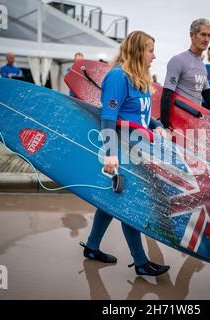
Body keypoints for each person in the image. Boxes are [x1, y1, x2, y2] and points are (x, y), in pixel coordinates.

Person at [79, 31, 170, 277]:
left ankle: (92, 247)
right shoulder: (118, 77)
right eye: (151, 50)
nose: (154, 55)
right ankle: (140, 262)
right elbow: (108, 116)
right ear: (138, 51)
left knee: (114, 200)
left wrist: (157, 126)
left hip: (139, 149)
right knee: (130, 203)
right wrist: (109, 154)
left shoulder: (137, 78)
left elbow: (138, 114)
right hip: (122, 148)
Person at [160, 18, 210, 129]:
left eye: (209, 35)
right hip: (177, 123)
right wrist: (165, 125)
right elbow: (167, 95)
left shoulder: (202, 65)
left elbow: (208, 95)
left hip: (195, 122)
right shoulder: (178, 60)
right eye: (203, 34)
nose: (206, 39)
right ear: (192, 35)